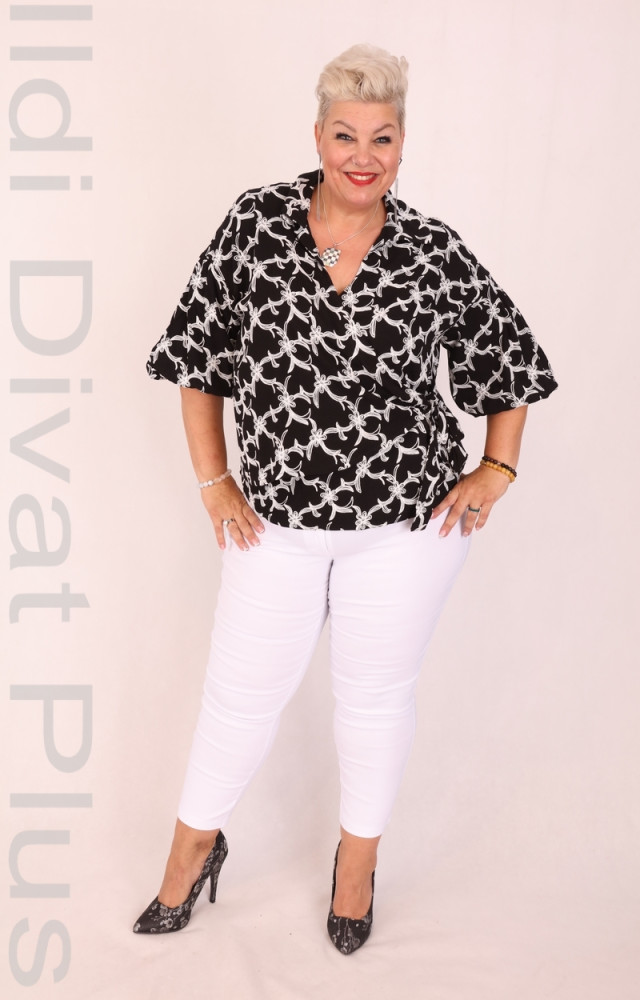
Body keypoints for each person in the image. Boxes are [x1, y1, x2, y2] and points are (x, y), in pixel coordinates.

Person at [134, 43, 558, 954]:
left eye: (383, 137)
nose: (363, 156)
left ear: (403, 144)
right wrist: (214, 481)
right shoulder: (255, 225)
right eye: (345, 135)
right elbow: (198, 360)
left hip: (406, 526)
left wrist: (497, 467)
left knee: (373, 701)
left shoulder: (431, 251)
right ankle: (191, 851)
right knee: (238, 698)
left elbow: (511, 362)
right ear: (318, 136)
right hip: (274, 526)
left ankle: (356, 866)